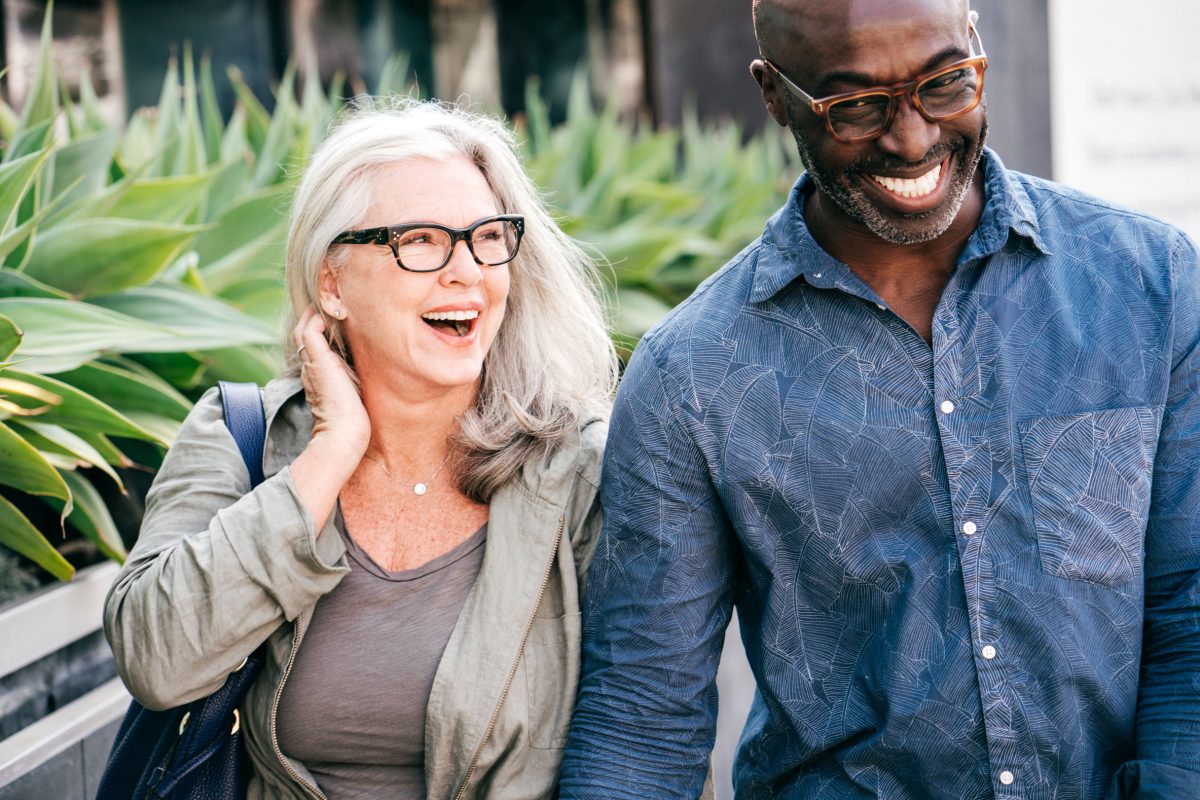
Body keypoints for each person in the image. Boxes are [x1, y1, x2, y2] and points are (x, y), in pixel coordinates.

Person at [560, 0, 1200, 797]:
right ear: (774, 95)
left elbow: (1189, 609)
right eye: (856, 106)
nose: (913, 137)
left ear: (974, 40)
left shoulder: (1148, 284)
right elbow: (642, 717)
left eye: (944, 83)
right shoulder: (692, 376)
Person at [104, 99, 617, 799]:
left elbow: (648, 732)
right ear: (332, 283)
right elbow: (155, 658)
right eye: (421, 240)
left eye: (487, 237)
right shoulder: (239, 434)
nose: (467, 270)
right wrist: (332, 451)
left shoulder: (583, 470)